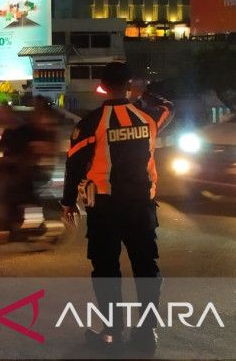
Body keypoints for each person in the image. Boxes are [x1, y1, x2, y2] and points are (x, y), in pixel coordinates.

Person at [61, 61, 174, 355]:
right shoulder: (148, 117)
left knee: (106, 269)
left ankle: (112, 332)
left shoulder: (91, 122)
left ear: (101, 85)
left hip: (105, 209)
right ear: (130, 83)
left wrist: (67, 202)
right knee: (146, 267)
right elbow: (168, 108)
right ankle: (147, 331)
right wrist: (144, 95)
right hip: (141, 206)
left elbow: (73, 164)